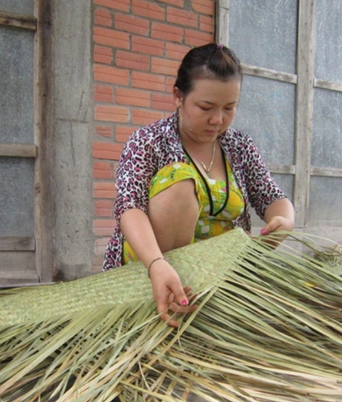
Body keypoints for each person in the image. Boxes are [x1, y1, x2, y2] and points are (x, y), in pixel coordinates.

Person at [103, 43, 295, 327]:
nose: (218, 120)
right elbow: (129, 207)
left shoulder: (239, 146)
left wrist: (284, 220)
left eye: (229, 108)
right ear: (178, 97)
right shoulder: (148, 142)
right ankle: (159, 301)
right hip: (151, 264)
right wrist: (156, 264)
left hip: (216, 275)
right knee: (180, 183)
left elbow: (271, 197)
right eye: (205, 107)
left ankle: (208, 308)